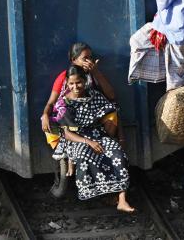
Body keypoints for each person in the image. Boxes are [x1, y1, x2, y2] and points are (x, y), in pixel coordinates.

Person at [56, 65, 134, 213]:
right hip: (76, 139)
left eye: (78, 82)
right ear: (66, 83)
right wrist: (87, 142)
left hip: (97, 134)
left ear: (85, 81)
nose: (75, 86)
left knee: (117, 152)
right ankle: (103, 195)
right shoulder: (63, 104)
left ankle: (122, 200)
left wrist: (116, 136)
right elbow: (66, 133)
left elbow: (112, 110)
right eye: (71, 83)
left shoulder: (94, 95)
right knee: (85, 155)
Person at [40, 43, 119, 152]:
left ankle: (103, 144)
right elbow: (51, 103)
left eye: (90, 58)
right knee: (48, 123)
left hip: (90, 120)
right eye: (85, 58)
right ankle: (65, 149)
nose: (89, 61)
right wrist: (45, 115)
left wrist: (96, 72)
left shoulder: (92, 74)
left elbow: (111, 96)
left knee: (112, 111)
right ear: (74, 60)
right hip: (69, 121)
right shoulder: (64, 77)